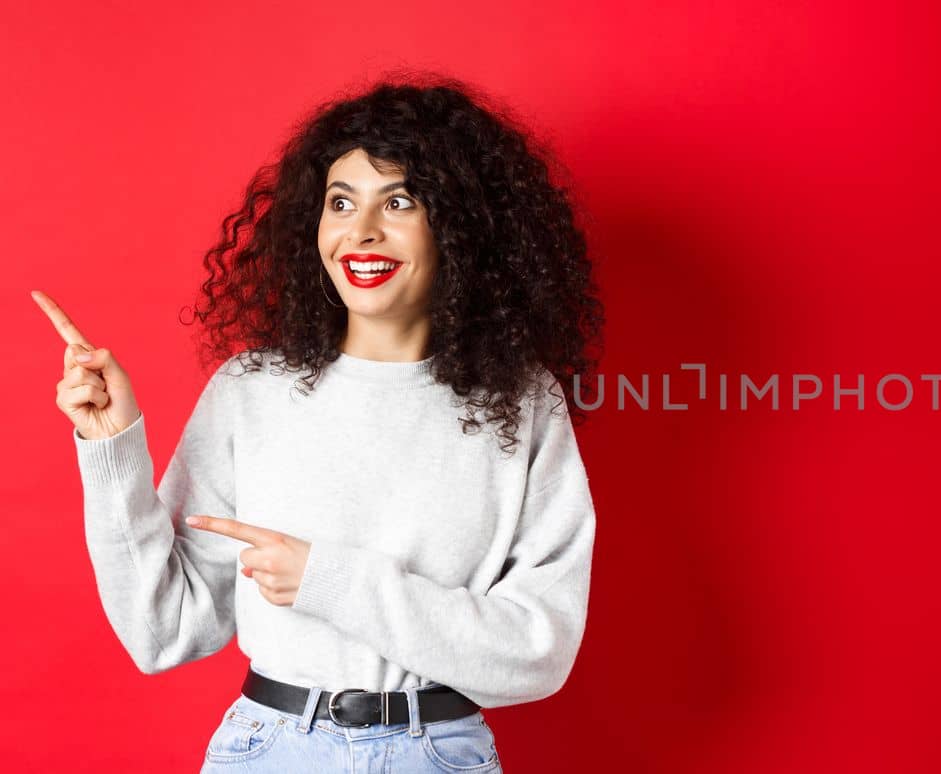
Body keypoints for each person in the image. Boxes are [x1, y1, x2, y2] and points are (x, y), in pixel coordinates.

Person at [33, 72, 603, 772]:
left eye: (398, 201)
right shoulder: (252, 390)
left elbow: (536, 653)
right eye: (341, 202)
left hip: (439, 753)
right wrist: (111, 449)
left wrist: (330, 581)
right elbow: (165, 631)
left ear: (460, 225)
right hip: (269, 750)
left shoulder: (520, 403)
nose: (361, 231)